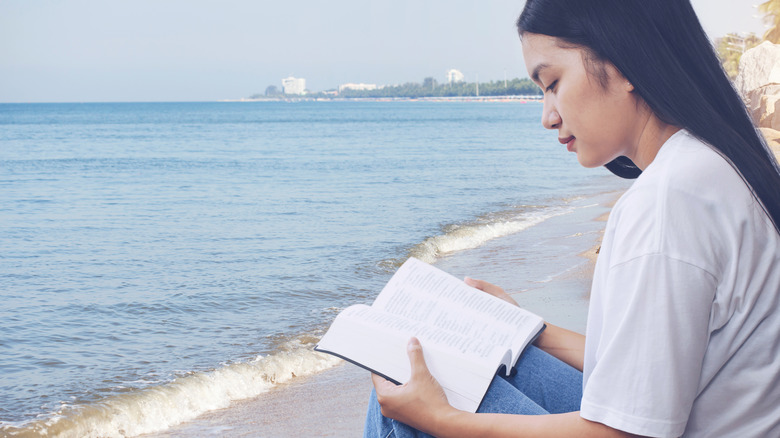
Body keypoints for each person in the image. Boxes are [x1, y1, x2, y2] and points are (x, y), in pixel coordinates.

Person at [363, 0, 780, 436]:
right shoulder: (713, 164)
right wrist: (529, 328)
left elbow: (624, 433)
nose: (547, 116)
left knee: (401, 385)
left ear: (621, 61)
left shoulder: (667, 203)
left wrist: (441, 420)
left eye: (553, 83)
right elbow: (653, 365)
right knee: (457, 366)